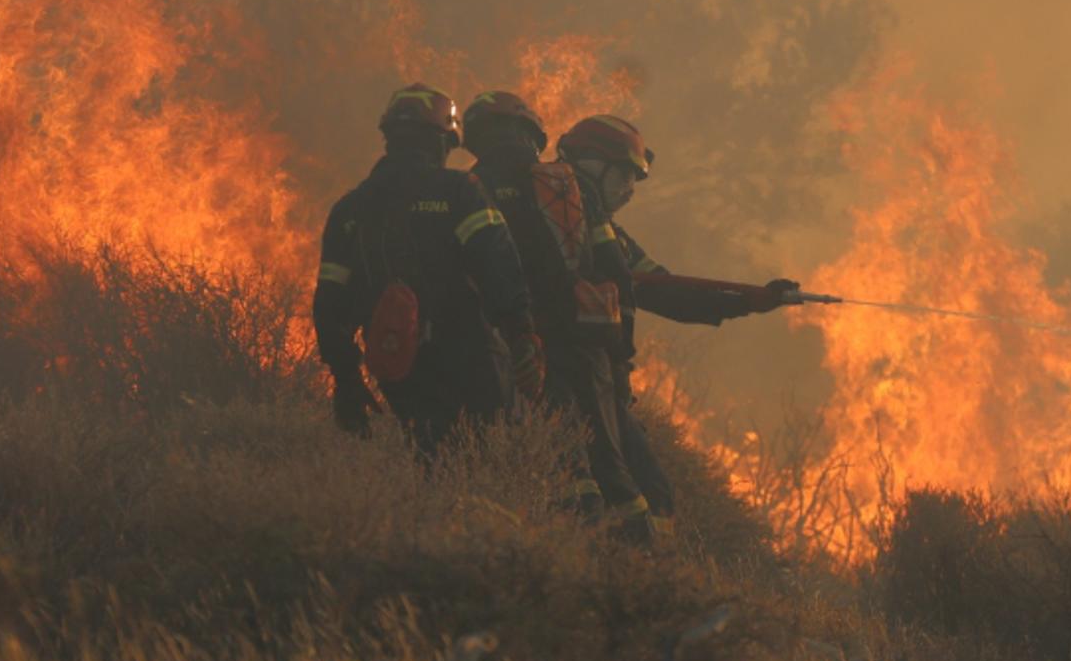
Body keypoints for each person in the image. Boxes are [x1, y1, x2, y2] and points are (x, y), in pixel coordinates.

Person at [556, 114, 800, 541]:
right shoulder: (571, 228)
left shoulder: (608, 236)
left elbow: (669, 291)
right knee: (629, 496)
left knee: (644, 493)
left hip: (594, 381)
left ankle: (637, 578)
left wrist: (751, 301)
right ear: (595, 166)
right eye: (623, 178)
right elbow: (670, 295)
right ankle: (632, 581)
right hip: (576, 380)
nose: (628, 192)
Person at [312, 84, 546, 453]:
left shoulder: (350, 209)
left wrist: (346, 378)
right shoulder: (459, 190)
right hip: (472, 355)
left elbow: (329, 305)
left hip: (398, 361)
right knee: (504, 452)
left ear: (389, 138)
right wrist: (522, 333)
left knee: (430, 456)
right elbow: (497, 264)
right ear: (442, 141)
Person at [462, 91, 651, 540]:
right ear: (533, 134)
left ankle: (574, 545)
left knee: (559, 455)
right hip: (586, 345)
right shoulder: (570, 184)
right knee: (611, 463)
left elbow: (469, 275)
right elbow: (617, 272)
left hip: (519, 344)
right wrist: (620, 357)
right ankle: (643, 564)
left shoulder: (467, 188)